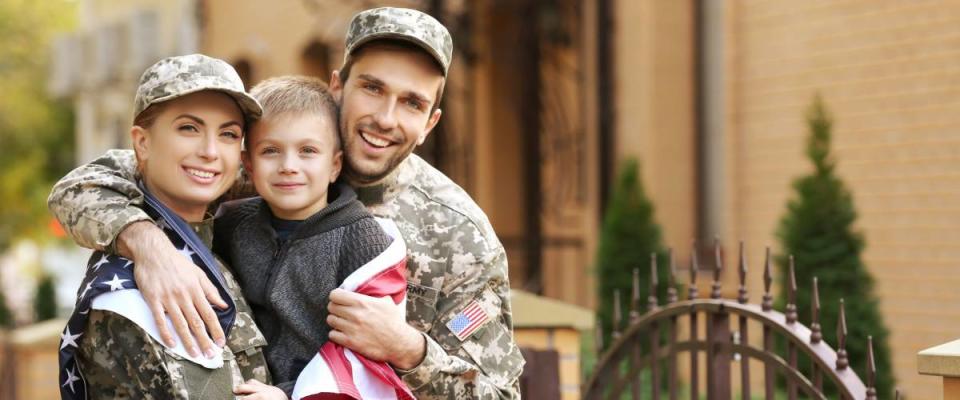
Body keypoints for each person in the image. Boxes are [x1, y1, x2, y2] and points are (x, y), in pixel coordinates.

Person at [48, 7, 525, 399]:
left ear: (431, 122)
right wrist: (149, 246)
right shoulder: (258, 166)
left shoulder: (458, 235)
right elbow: (87, 184)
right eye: (372, 88)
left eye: (411, 103)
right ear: (338, 86)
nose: (384, 117)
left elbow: (500, 393)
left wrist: (408, 349)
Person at [57, 54, 271, 400]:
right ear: (142, 143)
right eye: (189, 128)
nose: (210, 151)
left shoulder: (213, 233)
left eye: (229, 134)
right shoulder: (141, 290)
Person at [215, 76, 412, 399]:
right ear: (248, 164)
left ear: (334, 165)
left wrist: (290, 396)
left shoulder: (365, 244)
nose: (288, 166)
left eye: (307, 151)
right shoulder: (231, 224)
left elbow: (364, 359)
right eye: (270, 151)